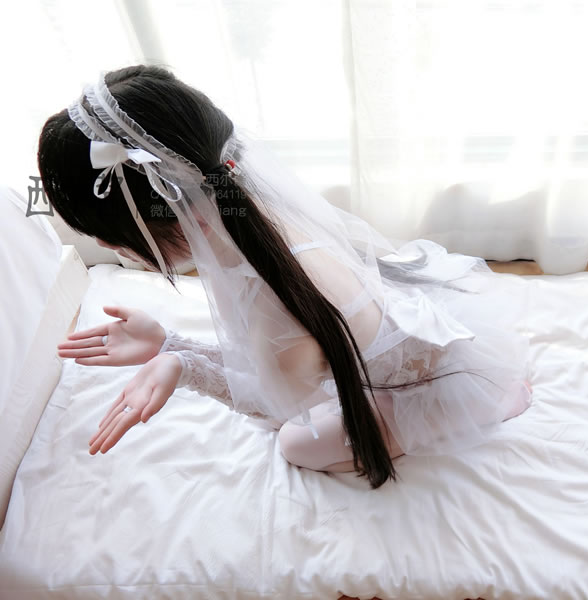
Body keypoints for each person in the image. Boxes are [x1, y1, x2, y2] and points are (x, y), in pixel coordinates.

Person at [40, 65, 532, 490]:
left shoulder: (277, 306)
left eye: (111, 236)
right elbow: (270, 362)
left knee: (296, 443)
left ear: (172, 212)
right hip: (399, 337)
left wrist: (183, 366)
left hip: (438, 383)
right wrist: (168, 346)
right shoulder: (244, 214)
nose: (108, 247)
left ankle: (481, 405)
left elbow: (275, 404)